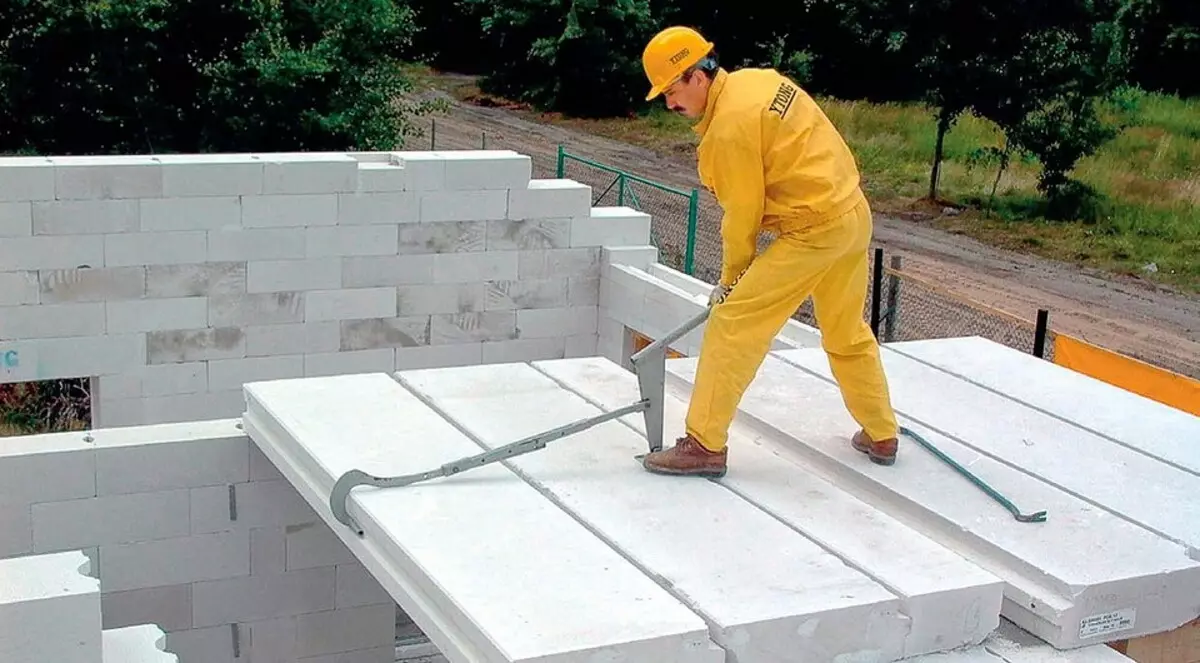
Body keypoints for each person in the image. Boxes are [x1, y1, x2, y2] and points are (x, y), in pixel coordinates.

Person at [638, 25, 901, 477]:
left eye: (671, 91)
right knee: (844, 330)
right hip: (852, 215)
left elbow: (742, 214)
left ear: (697, 75)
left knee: (732, 323)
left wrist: (731, 280)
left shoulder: (728, 129)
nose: (670, 104)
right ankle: (881, 432)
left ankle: (704, 444)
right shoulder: (758, 82)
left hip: (813, 230)